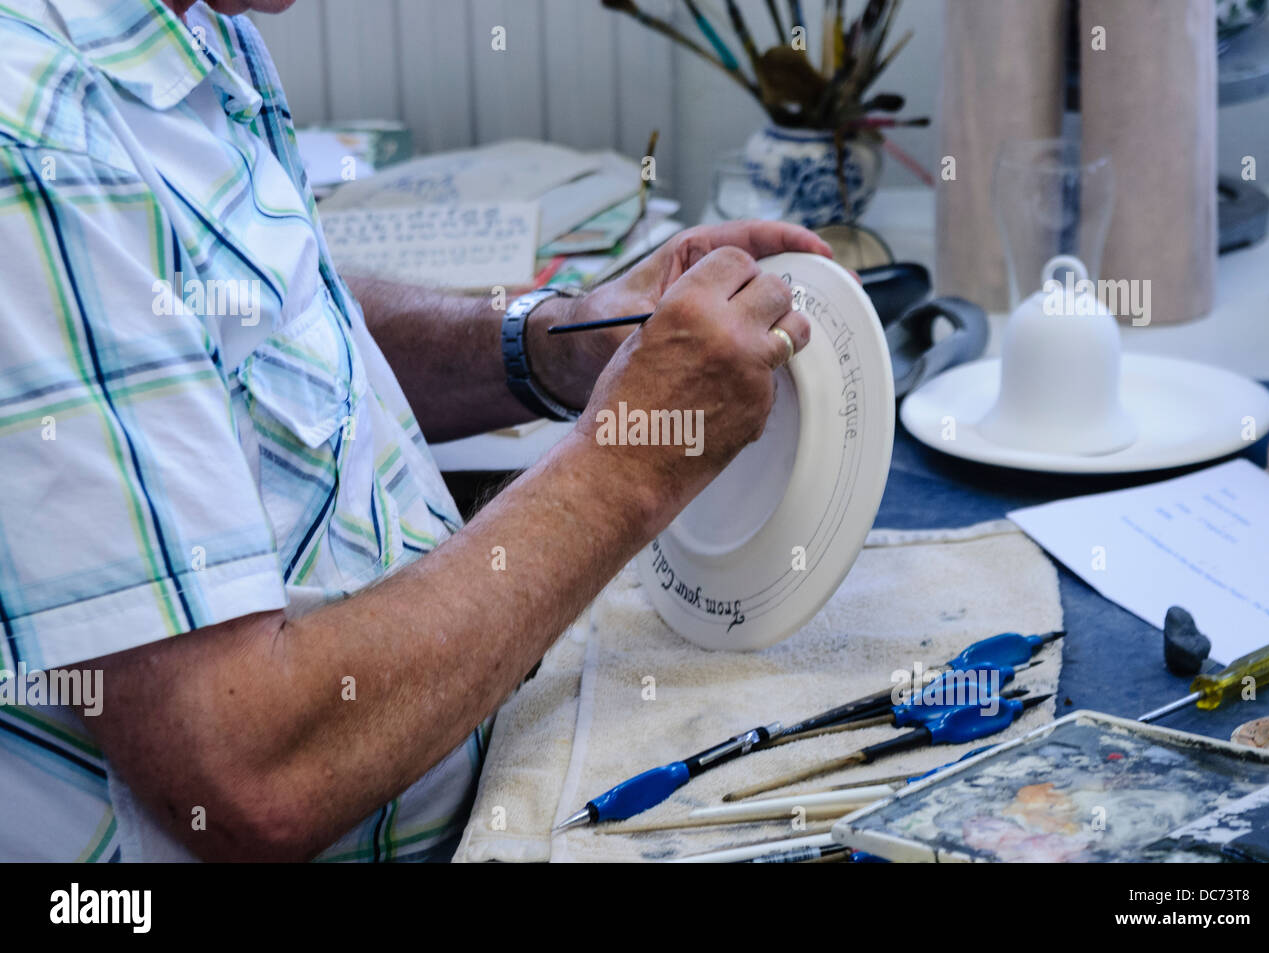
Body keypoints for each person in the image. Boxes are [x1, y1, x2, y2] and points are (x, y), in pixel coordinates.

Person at [0, 0, 822, 861]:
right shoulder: (43, 142)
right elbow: (252, 773)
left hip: (479, 762)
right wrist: (633, 460)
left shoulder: (201, 30)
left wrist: (553, 343)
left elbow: (265, 336)